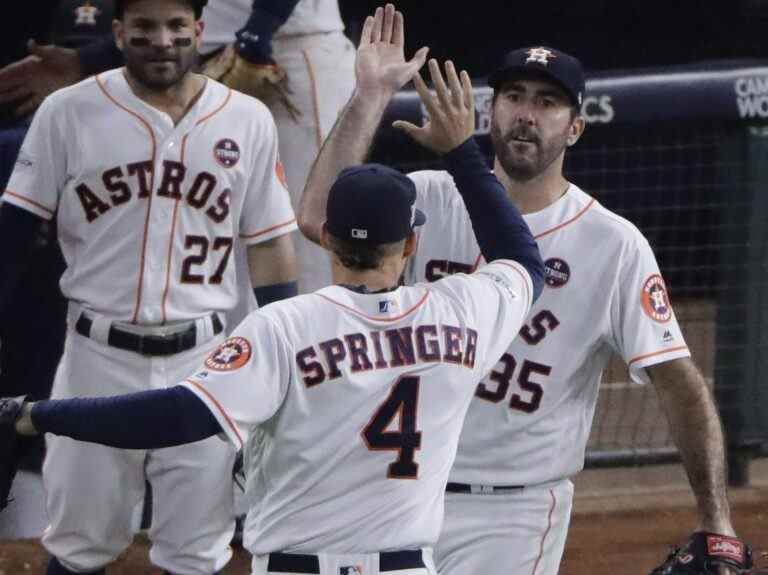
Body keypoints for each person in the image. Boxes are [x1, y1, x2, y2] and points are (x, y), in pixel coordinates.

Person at [6, 7, 545, 573]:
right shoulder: (459, 312)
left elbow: (180, 415)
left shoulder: (286, 330)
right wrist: (462, 149)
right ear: (410, 246)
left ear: (326, 236)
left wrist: (36, 417)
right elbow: (522, 259)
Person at [297, 16, 743, 575]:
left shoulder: (613, 244)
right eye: (513, 95)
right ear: (491, 110)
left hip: (513, 510)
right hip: (394, 492)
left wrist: (715, 517)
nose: (527, 114)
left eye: (548, 102)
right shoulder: (428, 201)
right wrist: (370, 97)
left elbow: (678, 382)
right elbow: (319, 217)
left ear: (575, 128)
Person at [0, 0, 298, 572]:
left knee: (199, 549)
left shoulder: (247, 118)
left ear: (199, 32)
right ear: (117, 33)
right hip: (95, 358)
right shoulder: (67, 112)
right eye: (144, 28)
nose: (161, 40)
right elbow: (13, 231)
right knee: (79, 542)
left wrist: (289, 344)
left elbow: (269, 243)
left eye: (175, 27)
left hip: (206, 361)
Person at [0, 0, 355, 297]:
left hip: (290, 53)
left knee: (301, 244)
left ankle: (311, 370)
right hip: (206, 55)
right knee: (211, 244)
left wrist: (259, 29)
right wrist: (89, 60)